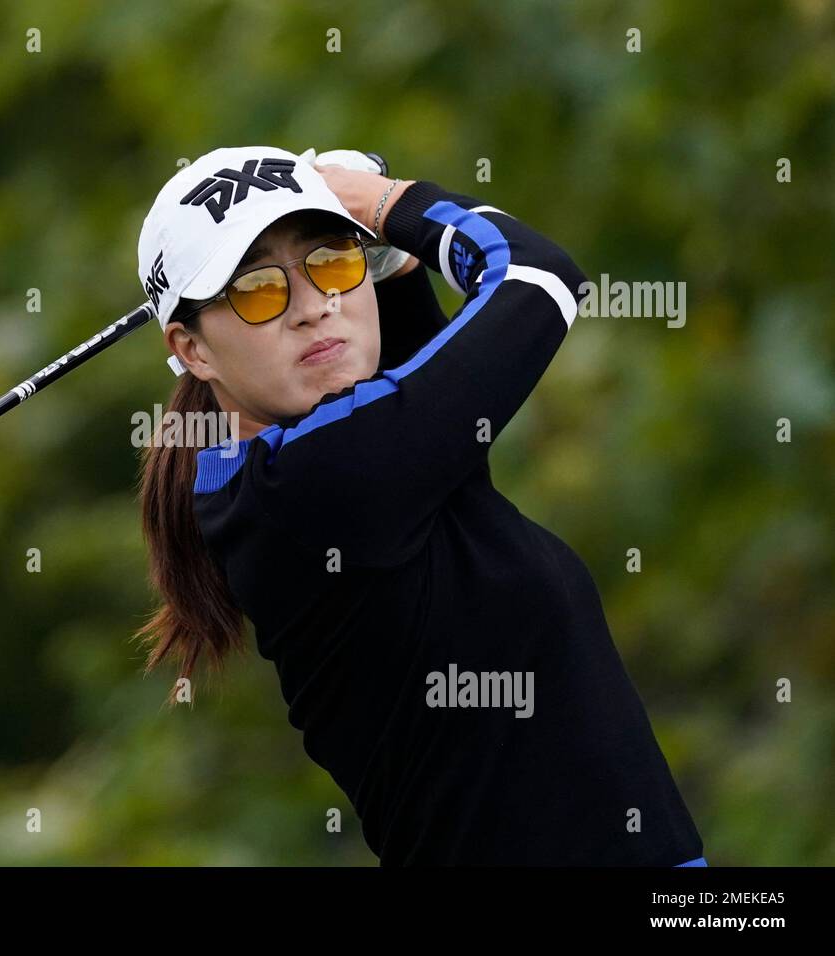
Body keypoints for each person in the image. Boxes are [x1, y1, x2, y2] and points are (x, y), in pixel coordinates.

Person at [132, 145, 706, 866]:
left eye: (332, 263)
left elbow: (409, 372)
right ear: (193, 349)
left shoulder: (292, 471)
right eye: (256, 291)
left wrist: (393, 260)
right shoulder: (318, 479)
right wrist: (391, 203)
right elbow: (539, 277)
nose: (315, 306)